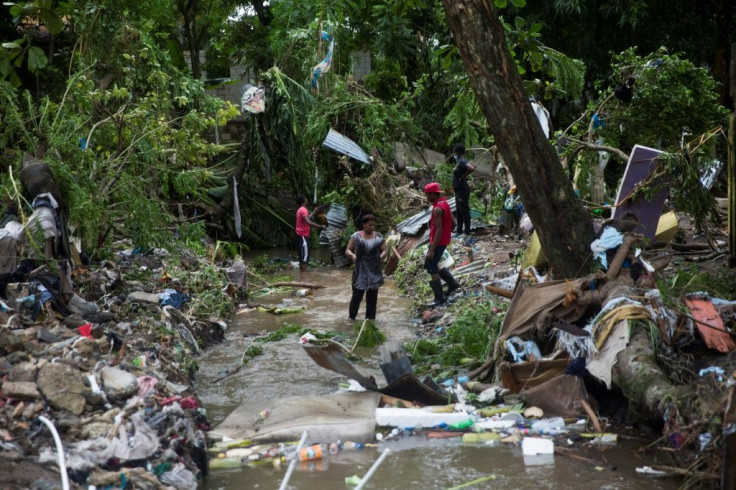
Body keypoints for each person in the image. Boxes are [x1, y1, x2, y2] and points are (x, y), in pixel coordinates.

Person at [423, 183, 460, 304]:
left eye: (428, 195)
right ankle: (452, 284)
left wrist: (432, 249)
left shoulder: (437, 209)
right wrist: (446, 234)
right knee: (434, 263)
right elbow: (453, 223)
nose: (427, 197)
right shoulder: (445, 203)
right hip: (443, 240)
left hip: (437, 242)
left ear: (433, 194)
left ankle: (439, 297)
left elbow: (439, 230)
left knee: (431, 265)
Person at [345, 214, 386, 320]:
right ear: (364, 225)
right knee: (356, 296)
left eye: (373, 225)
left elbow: (384, 250)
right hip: (360, 270)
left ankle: (370, 321)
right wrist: (353, 255)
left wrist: (380, 257)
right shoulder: (356, 236)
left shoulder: (378, 236)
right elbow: (348, 250)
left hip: (374, 270)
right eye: (370, 225)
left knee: (372, 298)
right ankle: (351, 318)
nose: (372, 227)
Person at [295, 195, 327, 273]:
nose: (307, 200)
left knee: (302, 257)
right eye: (306, 199)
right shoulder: (304, 210)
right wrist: (320, 226)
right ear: (304, 201)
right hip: (303, 236)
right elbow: (308, 222)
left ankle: (302, 276)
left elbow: (307, 218)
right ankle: (304, 276)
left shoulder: (300, 209)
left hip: (299, 236)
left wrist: (314, 211)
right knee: (305, 258)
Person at [451, 143, 475, 236]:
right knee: (459, 210)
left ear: (457, 152)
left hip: (462, 189)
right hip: (458, 189)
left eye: (455, 151)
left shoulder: (462, 160)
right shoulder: (460, 161)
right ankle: (459, 230)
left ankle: (467, 231)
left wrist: (462, 177)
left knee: (464, 210)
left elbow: (471, 168)